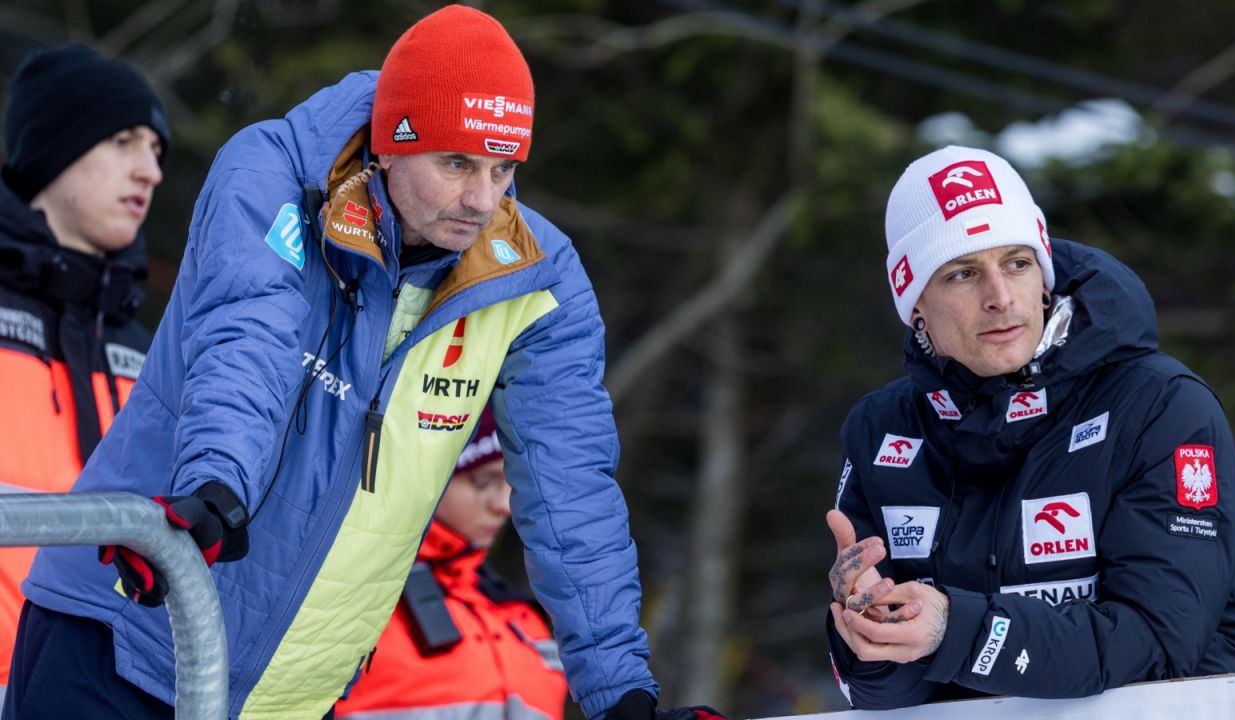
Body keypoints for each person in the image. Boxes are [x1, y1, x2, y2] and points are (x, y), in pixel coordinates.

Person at [7, 7, 720, 720]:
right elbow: (247, 338)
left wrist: (620, 695)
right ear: (393, 142)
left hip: (289, 695)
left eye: (504, 169)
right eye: (456, 163)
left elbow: (572, 491)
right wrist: (212, 492)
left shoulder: (536, 275)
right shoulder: (275, 173)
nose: (482, 200)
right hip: (121, 639)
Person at [824, 145, 1235, 710]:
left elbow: (1162, 643)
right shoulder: (879, 430)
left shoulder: (1159, 405)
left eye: (1017, 262)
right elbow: (889, 692)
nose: (1000, 297)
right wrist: (876, 635)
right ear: (915, 304)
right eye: (963, 273)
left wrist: (956, 631)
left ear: (1044, 277)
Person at [0, 44, 167, 699]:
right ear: (54, 148)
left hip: (96, 697)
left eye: (156, 150)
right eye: (124, 141)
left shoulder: (152, 351)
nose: (150, 170)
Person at [335, 405, 567, 720]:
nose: (504, 505)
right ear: (429, 477)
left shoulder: (525, 619)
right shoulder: (344, 596)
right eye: (483, 481)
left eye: (513, 482)